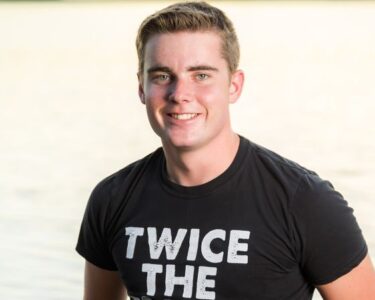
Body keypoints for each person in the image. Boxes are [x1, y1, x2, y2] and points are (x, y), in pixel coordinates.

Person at [76, 2, 375, 299]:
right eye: (162, 76)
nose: (180, 94)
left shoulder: (305, 202)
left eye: (201, 75)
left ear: (234, 85)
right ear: (142, 87)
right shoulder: (112, 200)